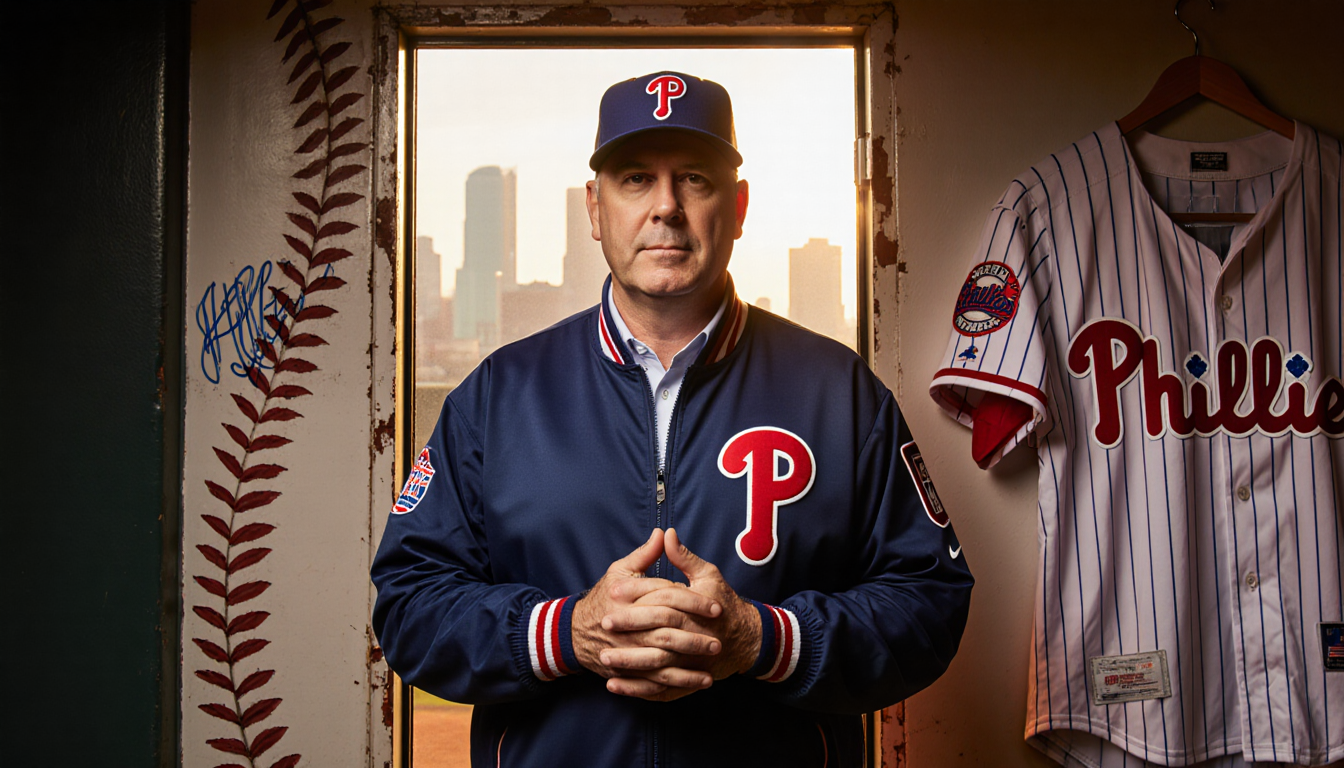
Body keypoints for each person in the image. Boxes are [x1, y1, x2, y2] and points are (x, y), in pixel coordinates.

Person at [371, 71, 973, 766]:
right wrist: (565, 632)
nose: (666, 207)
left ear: (739, 206)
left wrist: (761, 638)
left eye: (694, 178)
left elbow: (931, 603)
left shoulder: (838, 392)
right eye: (634, 179)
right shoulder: (498, 395)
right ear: (594, 209)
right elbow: (410, 604)